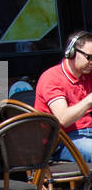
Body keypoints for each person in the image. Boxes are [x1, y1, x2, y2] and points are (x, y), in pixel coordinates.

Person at [34, 31, 92, 163]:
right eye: (89, 57)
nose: (91, 62)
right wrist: (89, 100)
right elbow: (63, 119)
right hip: (61, 141)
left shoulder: (87, 75)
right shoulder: (52, 78)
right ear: (70, 52)